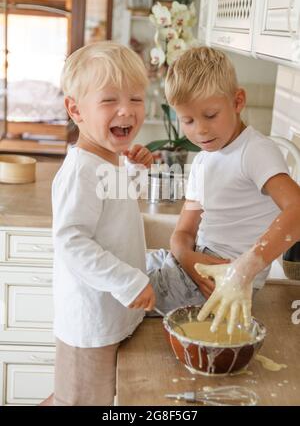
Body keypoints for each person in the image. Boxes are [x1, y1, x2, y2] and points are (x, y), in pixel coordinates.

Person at [147, 46, 300, 335]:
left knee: (120, 293)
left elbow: (298, 209)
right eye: (188, 121)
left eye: (210, 115)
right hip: (193, 265)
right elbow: (184, 231)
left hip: (223, 280)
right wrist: (186, 257)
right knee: (125, 264)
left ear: (238, 101)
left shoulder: (254, 151)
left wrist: (244, 268)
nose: (200, 130)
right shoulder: (204, 160)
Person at [43, 41, 155, 406]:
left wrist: (135, 170)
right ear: (75, 109)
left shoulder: (108, 161)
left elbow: (116, 212)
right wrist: (128, 281)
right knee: (78, 400)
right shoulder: (82, 171)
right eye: (110, 101)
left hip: (111, 314)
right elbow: (72, 242)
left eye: (136, 99)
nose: (127, 110)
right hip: (89, 324)